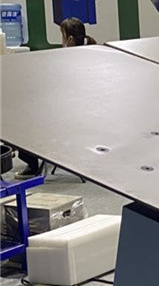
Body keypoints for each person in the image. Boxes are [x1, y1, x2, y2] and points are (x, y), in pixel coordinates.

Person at [14, 18, 97, 179]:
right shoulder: (89, 55)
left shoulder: (69, 61)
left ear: (69, 39)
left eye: (62, 36)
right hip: (83, 114)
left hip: (70, 118)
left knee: (24, 122)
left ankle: (32, 166)